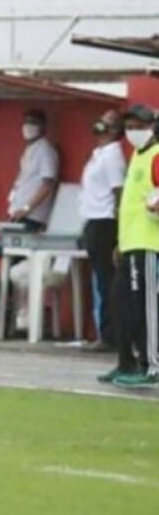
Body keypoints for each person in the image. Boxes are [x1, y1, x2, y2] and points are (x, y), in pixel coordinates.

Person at [99, 105, 159, 388]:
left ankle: (152, 365)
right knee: (121, 304)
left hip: (149, 243)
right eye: (130, 125)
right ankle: (126, 361)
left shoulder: (157, 156)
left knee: (144, 307)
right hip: (130, 242)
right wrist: (120, 243)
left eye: (139, 125)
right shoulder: (138, 155)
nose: (133, 130)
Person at [79, 109, 125, 351]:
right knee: (101, 282)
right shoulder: (99, 153)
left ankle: (110, 336)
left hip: (105, 222)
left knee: (107, 282)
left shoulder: (113, 156)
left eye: (107, 123)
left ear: (116, 130)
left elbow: (118, 192)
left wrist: (120, 230)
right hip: (93, 220)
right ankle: (105, 332)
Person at [7, 109, 59, 231]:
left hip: (32, 215)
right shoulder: (30, 149)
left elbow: (47, 184)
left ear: (43, 126)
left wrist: (26, 208)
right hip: (17, 211)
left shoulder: (45, 149)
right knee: (2, 247)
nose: (28, 126)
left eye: (33, 122)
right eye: (26, 122)